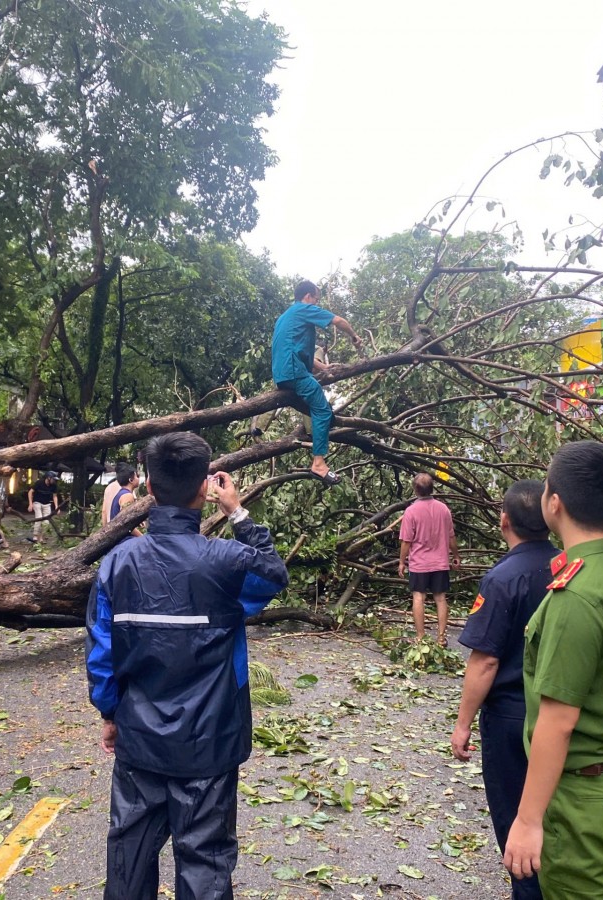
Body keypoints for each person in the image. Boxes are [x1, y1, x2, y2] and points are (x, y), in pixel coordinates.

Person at [86, 432, 289, 899]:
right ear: (206, 489)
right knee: (204, 860)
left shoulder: (117, 564)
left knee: (130, 855)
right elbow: (273, 576)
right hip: (211, 742)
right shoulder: (226, 561)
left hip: (140, 738)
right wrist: (237, 513)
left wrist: (110, 715)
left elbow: (101, 652)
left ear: (148, 488)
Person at [503, 440, 603, 898]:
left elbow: (558, 719)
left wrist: (528, 819)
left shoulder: (575, 596)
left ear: (554, 502)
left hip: (584, 803)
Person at [451, 479, 557, 900]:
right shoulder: (569, 565)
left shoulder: (502, 578)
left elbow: (486, 660)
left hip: (512, 717)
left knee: (518, 826)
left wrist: (462, 724)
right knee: (552, 819)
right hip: (559, 713)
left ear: (504, 520)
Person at [270, 279, 363, 486]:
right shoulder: (303, 309)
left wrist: (323, 368)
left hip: (285, 373)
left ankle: (319, 441)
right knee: (322, 410)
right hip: (294, 372)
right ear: (308, 297)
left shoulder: (286, 317)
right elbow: (338, 321)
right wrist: (354, 336)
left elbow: (295, 350)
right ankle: (319, 463)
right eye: (316, 299)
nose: (316, 303)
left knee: (317, 405)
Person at [397, 472, 461, 644]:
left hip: (420, 564)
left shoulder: (411, 512)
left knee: (419, 598)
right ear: (432, 488)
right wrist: (455, 556)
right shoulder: (443, 509)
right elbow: (451, 537)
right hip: (440, 563)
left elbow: (406, 542)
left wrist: (402, 562)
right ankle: (441, 638)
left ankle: (420, 637)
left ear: (415, 490)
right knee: (440, 598)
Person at [27, 470, 60, 544]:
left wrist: (57, 507)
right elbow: (30, 492)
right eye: (53, 479)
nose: (54, 481)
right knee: (39, 518)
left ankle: (41, 537)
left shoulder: (54, 485)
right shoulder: (39, 483)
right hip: (37, 502)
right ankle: (35, 536)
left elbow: (55, 496)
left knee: (46, 522)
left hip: (47, 503)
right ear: (48, 478)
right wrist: (30, 504)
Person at [100, 460, 132, 528]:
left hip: (110, 526)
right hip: (121, 528)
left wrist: (104, 529)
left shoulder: (108, 487)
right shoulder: (127, 488)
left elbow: (104, 511)